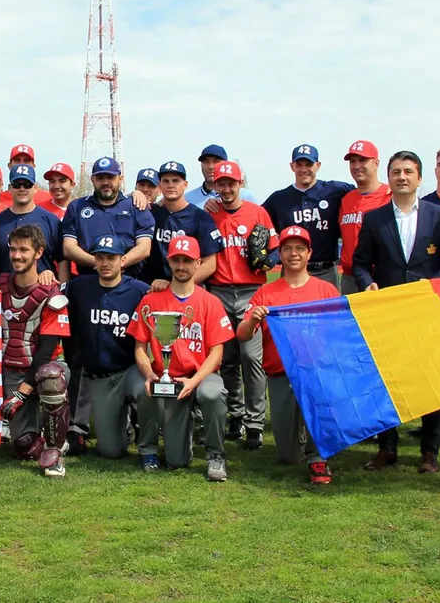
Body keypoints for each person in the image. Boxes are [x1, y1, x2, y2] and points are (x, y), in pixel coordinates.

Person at [351, 151, 440, 473]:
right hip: (387, 311)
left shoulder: (439, 216)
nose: (402, 177)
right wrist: (368, 282)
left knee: (430, 379)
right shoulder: (375, 218)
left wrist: (436, 284)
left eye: (408, 171)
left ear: (419, 177)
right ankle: (387, 447)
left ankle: (429, 453)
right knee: (387, 379)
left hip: (427, 309)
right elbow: (360, 262)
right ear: (388, 177)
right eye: (396, 171)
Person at [128, 235, 234, 481]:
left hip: (201, 376)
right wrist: (150, 375)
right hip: (168, 379)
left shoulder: (210, 302)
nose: (181, 266)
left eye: (187, 260)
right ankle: (156, 447)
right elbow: (139, 348)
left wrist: (194, 382)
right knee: (177, 461)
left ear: (198, 263)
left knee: (212, 393)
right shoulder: (151, 301)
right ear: (169, 262)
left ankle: (216, 455)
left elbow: (217, 352)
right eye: (176, 260)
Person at [239, 226, 338, 484]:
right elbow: (242, 334)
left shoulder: (325, 290)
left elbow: (339, 330)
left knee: (318, 415)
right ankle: (300, 441)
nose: (293, 253)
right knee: (288, 456)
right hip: (281, 372)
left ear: (309, 253)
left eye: (299, 248)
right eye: (287, 248)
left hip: (314, 372)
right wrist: (253, 321)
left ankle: (318, 456)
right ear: (280, 254)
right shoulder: (267, 293)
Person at [207, 161, 277, 449]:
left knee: (252, 357)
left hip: (252, 291)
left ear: (240, 183)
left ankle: (255, 423)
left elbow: (273, 251)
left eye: (231, 182)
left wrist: (267, 260)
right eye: (221, 183)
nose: (226, 188)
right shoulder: (209, 215)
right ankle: (235, 416)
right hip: (219, 291)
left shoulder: (257, 212)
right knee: (228, 359)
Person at [0, 225, 73, 477]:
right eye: (13, 249)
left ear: (39, 252)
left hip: (47, 368)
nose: (16, 255)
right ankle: (51, 436)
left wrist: (21, 394)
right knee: (22, 447)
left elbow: (47, 349)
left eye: (23, 250)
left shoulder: (52, 292)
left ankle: (54, 452)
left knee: (50, 376)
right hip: (13, 369)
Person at [66, 235, 151, 459]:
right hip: (101, 376)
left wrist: (161, 285)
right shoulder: (79, 287)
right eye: (100, 257)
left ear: (123, 260)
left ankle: (148, 442)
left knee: (146, 389)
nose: (105, 263)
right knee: (110, 451)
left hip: (131, 369)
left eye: (111, 258)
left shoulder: (140, 290)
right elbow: (53, 296)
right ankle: (124, 426)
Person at [263, 144, 355, 286]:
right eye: (299, 165)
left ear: (318, 165)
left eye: (309, 164)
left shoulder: (334, 191)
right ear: (292, 166)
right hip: (291, 272)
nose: (304, 169)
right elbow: (256, 218)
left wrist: (386, 191)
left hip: (326, 271)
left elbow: (365, 192)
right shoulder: (279, 198)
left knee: (329, 308)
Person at [61, 156, 155, 277]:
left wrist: (118, 264)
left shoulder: (136, 206)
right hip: (88, 278)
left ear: (120, 178)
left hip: (128, 279)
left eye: (110, 177)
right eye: (100, 178)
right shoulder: (76, 207)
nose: (105, 182)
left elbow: (144, 247)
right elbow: (69, 248)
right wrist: (100, 264)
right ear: (92, 179)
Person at [142, 161, 224, 288]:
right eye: (166, 181)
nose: (171, 185)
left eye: (175, 181)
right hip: (150, 287)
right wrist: (134, 194)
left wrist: (176, 286)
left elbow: (210, 264)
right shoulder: (149, 213)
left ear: (185, 184)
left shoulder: (200, 217)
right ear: (159, 185)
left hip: (187, 290)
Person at [0, 164, 67, 282]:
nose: (22, 189)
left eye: (27, 185)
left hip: (41, 293)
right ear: (10, 188)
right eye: (17, 185)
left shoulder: (51, 220)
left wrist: (63, 290)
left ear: (35, 187)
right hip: (3, 293)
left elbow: (62, 260)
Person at [338, 140, 391, 295]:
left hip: (379, 276)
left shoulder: (390, 196)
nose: (356, 166)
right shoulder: (346, 199)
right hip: (349, 277)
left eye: (362, 160)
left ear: (376, 163)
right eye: (352, 161)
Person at [185, 144, 256, 206]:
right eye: (206, 162)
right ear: (201, 165)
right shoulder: (187, 199)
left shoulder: (244, 195)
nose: (211, 166)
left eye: (216, 161)